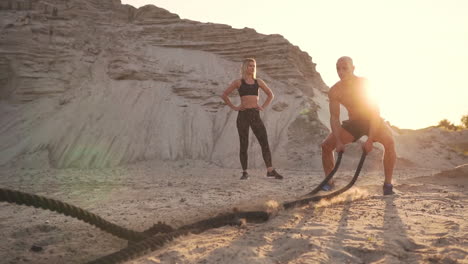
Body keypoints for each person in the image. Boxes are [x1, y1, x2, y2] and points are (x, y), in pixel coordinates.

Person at [320, 56, 396, 195]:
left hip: (372, 120)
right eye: (338, 69)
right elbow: (334, 117)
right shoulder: (335, 90)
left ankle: (388, 185)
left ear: (353, 69)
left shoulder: (364, 84)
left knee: (389, 142)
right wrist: (337, 141)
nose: (341, 72)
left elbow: (374, 112)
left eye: (345, 68)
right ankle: (329, 183)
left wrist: (370, 139)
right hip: (355, 123)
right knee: (326, 146)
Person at [221, 58, 283, 180]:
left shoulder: (258, 82)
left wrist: (263, 107)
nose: (252, 68)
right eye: (250, 66)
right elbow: (224, 95)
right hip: (243, 115)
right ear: (245, 67)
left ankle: (270, 170)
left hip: (255, 115)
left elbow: (270, 94)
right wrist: (234, 107)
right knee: (244, 144)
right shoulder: (238, 82)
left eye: (254, 66)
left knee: (264, 142)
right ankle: (244, 172)